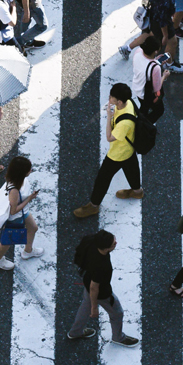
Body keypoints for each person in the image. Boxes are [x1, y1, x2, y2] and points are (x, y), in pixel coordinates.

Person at [72, 82, 142, 217]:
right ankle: (137, 192)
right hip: (129, 148)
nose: (109, 99)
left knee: (102, 179)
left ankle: (93, 206)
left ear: (120, 101)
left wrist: (109, 118)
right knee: (131, 168)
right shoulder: (130, 103)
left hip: (118, 153)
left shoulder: (124, 123)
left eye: (112, 98)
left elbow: (110, 137)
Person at [66, 229, 138, 345]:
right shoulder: (102, 266)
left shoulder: (91, 241)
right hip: (101, 293)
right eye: (113, 243)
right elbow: (95, 288)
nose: (116, 243)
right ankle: (118, 337)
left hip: (87, 281)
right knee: (117, 313)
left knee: (85, 306)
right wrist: (95, 308)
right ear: (106, 248)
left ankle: (75, 332)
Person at [0, 154, 41, 270]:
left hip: (23, 212)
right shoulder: (14, 190)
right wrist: (29, 198)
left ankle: (28, 251)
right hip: (15, 218)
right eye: (29, 169)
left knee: (33, 228)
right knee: (7, 242)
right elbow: (13, 211)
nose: (31, 170)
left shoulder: (20, 180)